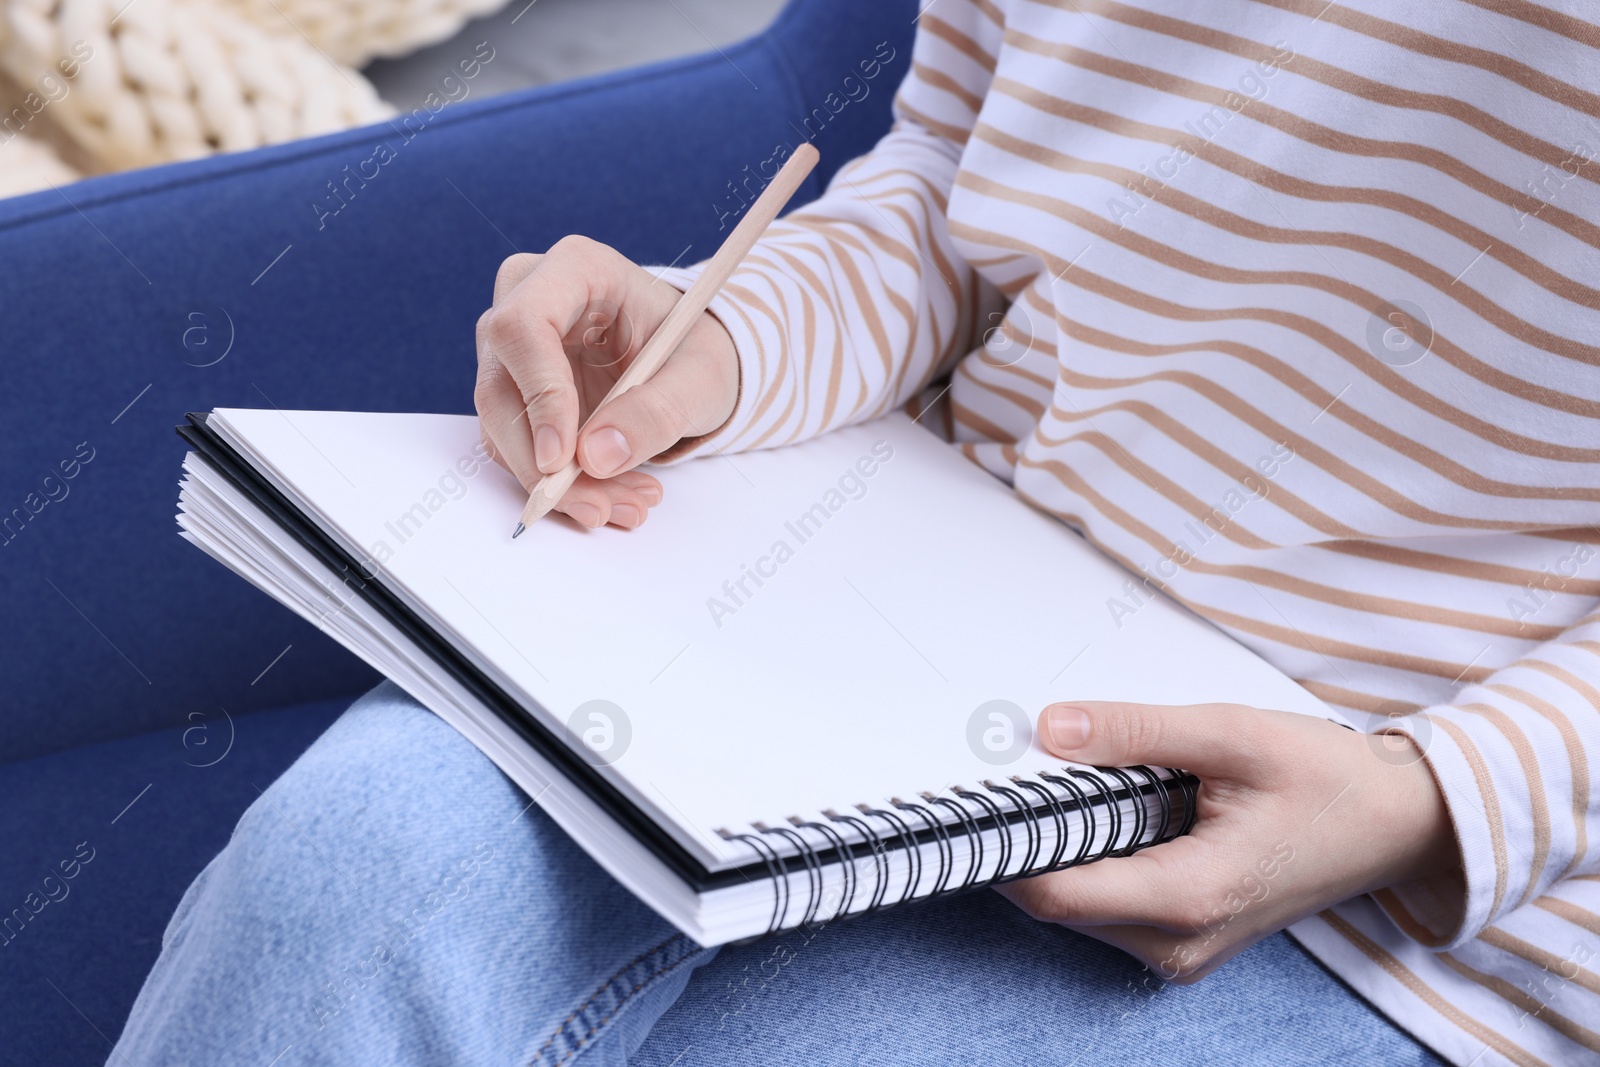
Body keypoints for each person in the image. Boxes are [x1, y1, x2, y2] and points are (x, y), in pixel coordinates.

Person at [114, 1, 1600, 1064]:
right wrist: (728, 342)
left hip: (1394, 882)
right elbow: (962, 191)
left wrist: (1435, 800)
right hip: (924, 608)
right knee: (337, 873)